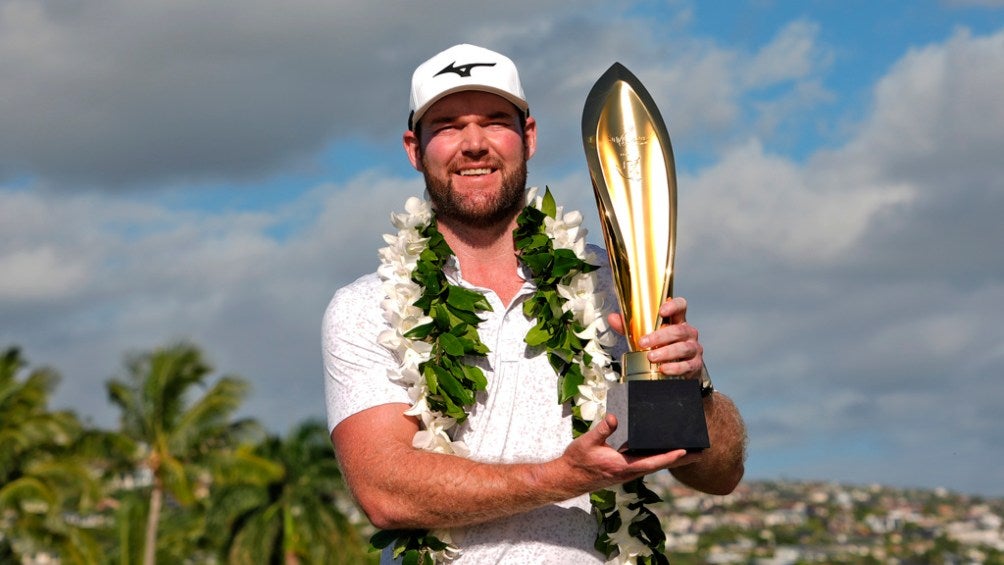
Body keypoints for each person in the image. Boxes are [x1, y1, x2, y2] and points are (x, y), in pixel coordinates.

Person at [323, 44, 746, 563]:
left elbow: (720, 475)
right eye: (449, 126)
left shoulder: (613, 280)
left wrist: (691, 388)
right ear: (415, 148)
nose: (474, 144)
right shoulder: (369, 307)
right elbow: (384, 493)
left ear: (528, 137)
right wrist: (562, 478)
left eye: (495, 121)